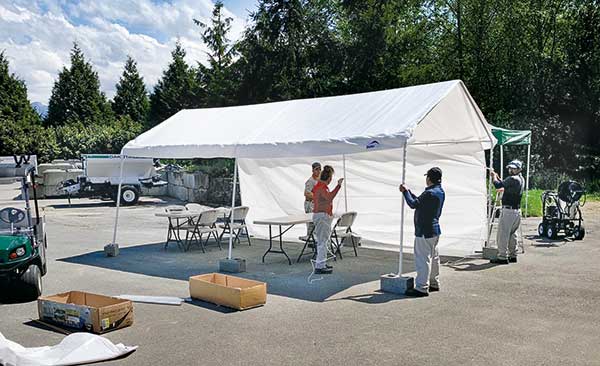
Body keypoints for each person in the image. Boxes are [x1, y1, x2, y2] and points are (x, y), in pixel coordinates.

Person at [399, 167, 445, 297]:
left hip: (424, 230)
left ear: (428, 178)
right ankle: (434, 283)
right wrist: (409, 192)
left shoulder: (429, 192)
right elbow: (419, 201)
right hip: (434, 230)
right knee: (434, 258)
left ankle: (421, 287)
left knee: (423, 259)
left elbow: (413, 204)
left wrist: (405, 192)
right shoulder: (439, 191)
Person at [490, 160, 524, 264]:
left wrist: (493, 177)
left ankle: (502, 257)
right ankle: (513, 255)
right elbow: (504, 184)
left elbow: (498, 185)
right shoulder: (521, 179)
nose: (511, 170)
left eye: (513, 168)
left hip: (508, 211)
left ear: (518, 169)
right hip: (516, 211)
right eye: (510, 168)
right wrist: (499, 179)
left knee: (503, 234)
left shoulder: (512, 178)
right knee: (512, 234)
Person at [312, 165, 343, 274]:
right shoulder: (322, 187)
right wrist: (338, 186)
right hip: (322, 216)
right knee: (322, 242)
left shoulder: (318, 186)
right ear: (329, 179)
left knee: (323, 241)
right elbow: (329, 197)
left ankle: (322, 263)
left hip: (320, 215)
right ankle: (320, 266)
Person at [304, 162, 321, 237]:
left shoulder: (319, 180)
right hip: (310, 204)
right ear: (313, 170)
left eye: (320, 169)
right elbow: (307, 193)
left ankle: (315, 239)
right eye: (316, 169)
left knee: (317, 223)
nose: (318, 171)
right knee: (311, 223)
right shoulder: (310, 181)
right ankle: (310, 240)